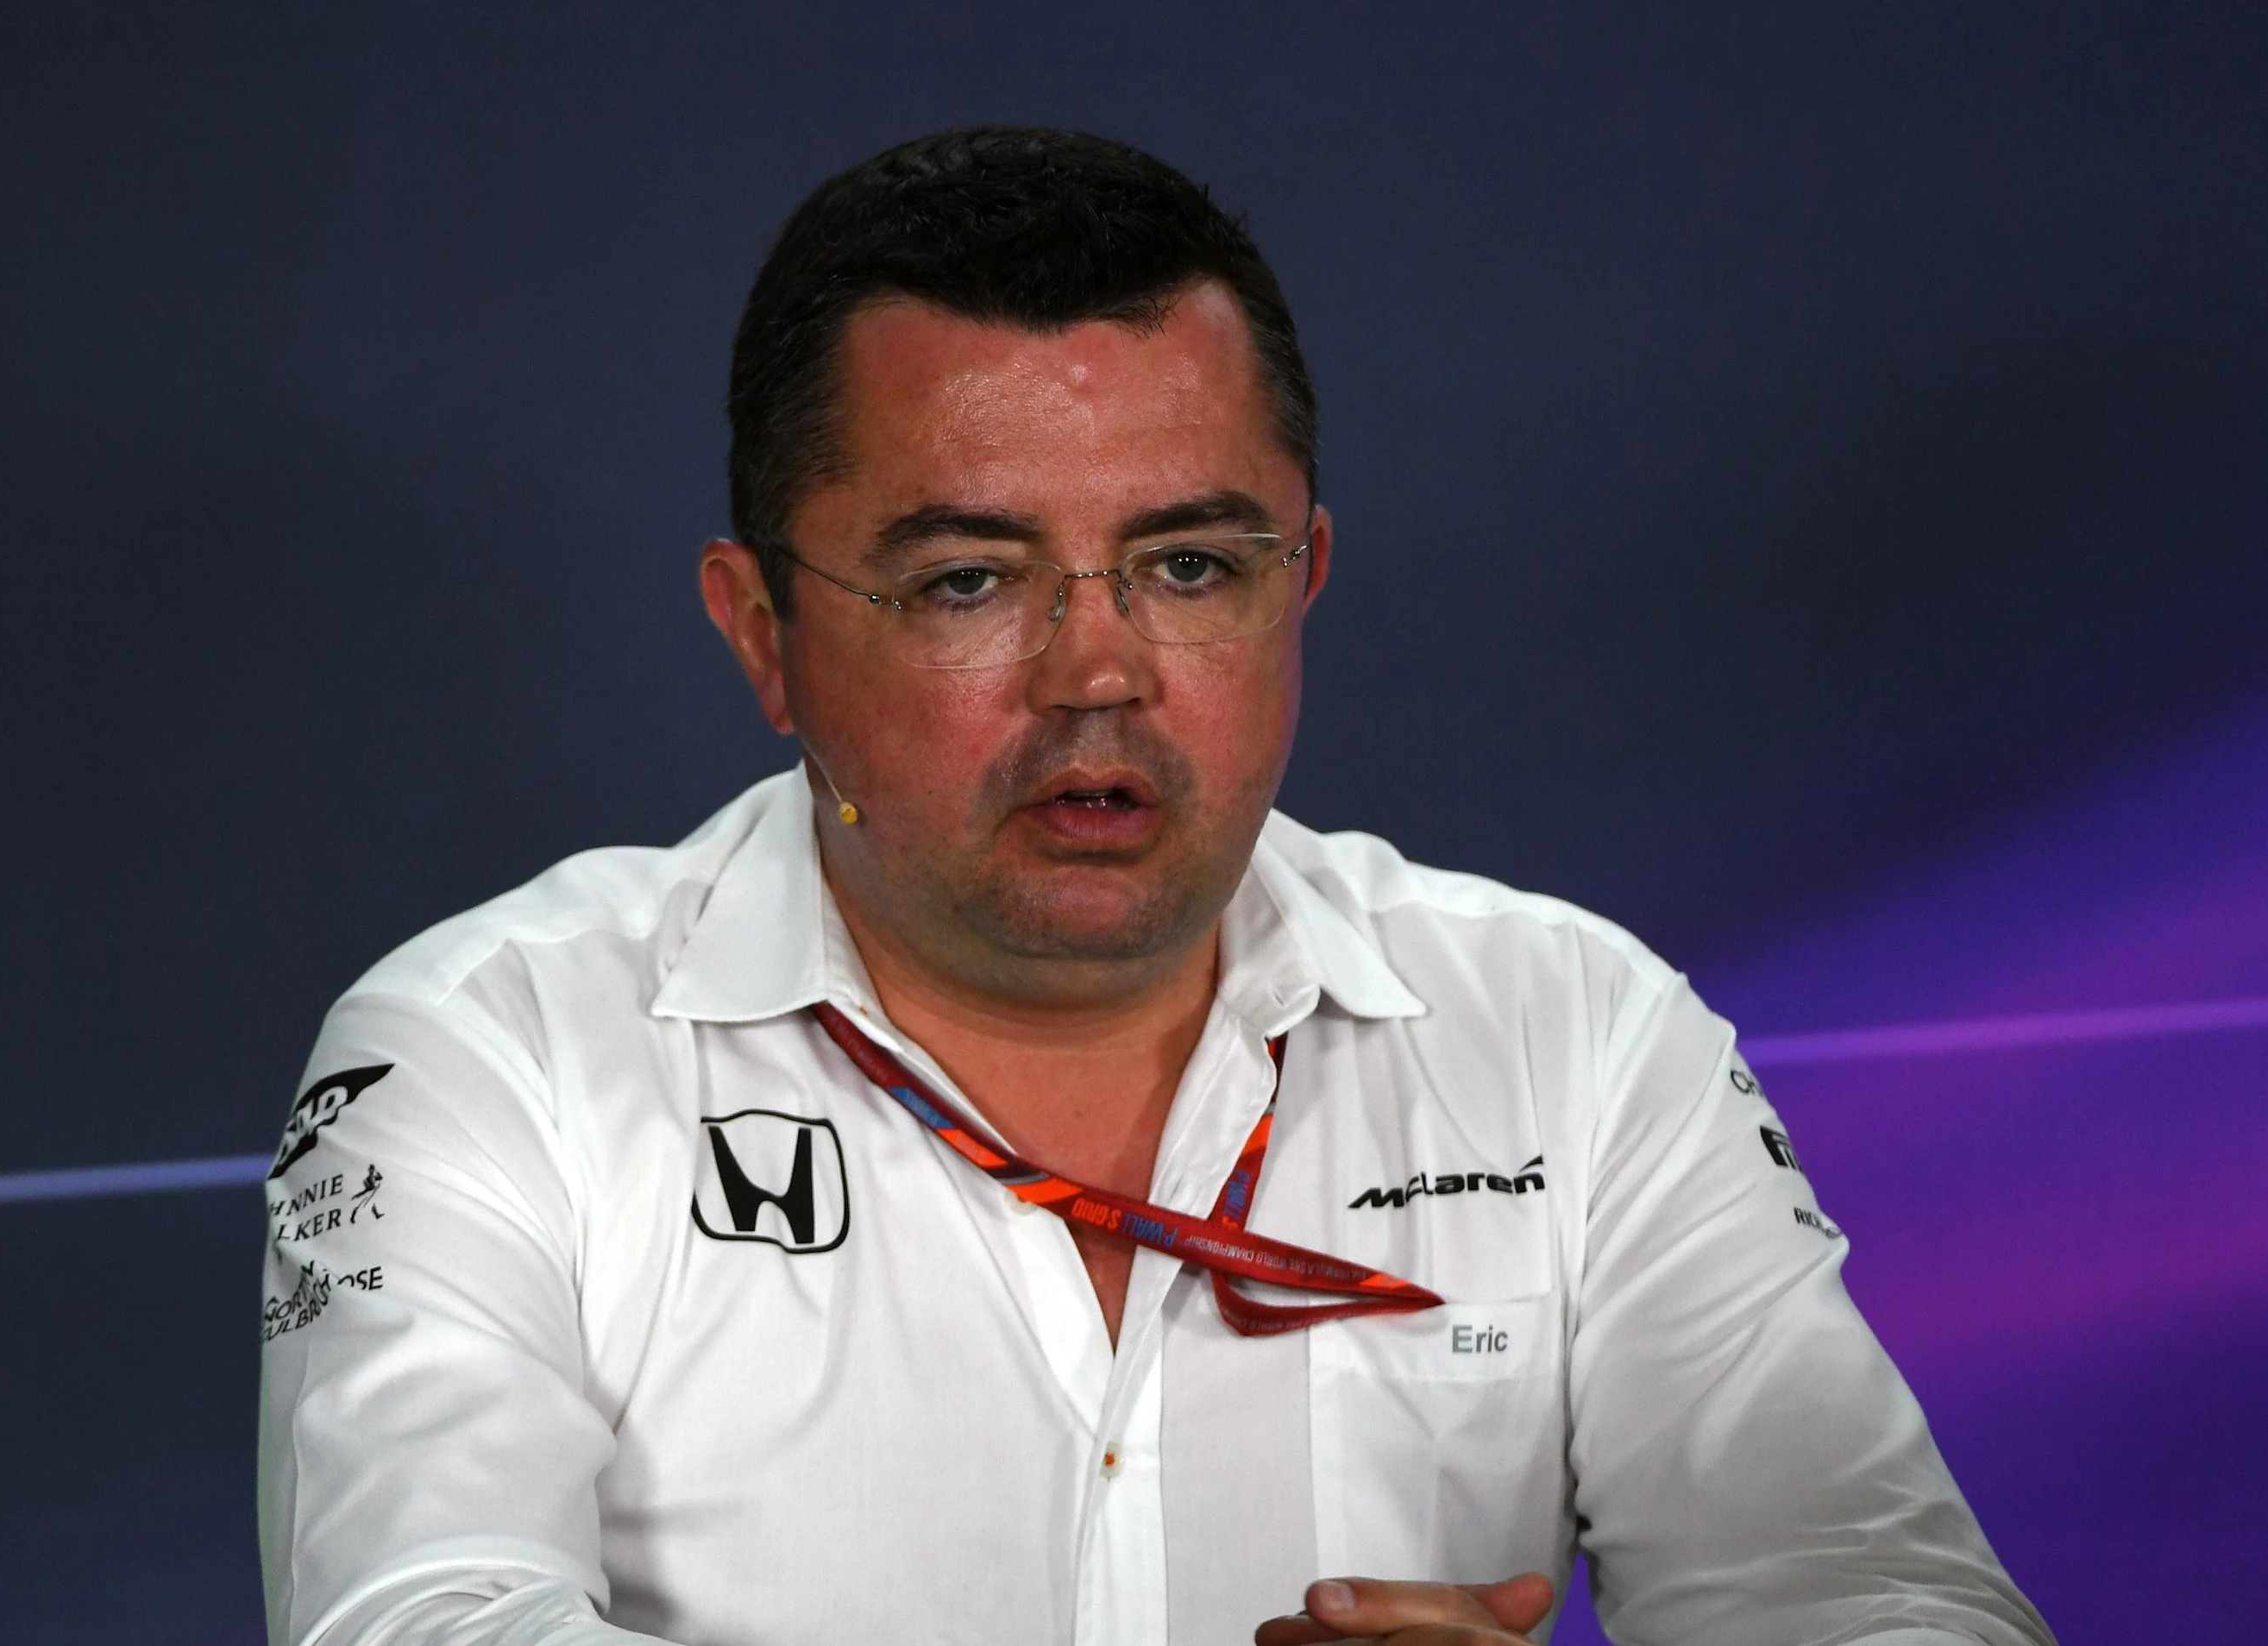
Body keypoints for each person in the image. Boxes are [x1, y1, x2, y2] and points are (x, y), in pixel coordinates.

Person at [257, 128, 2050, 1646]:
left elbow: (1879, 1596)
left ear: (1306, 577)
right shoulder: (492, 1054)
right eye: (969, 581)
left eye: (1189, 564)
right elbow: (423, 1616)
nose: (1096, 671)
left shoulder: (1572, 1038)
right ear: (765, 635)